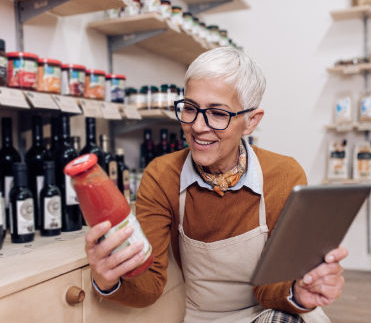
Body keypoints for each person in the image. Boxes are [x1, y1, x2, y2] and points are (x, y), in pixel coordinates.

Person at [85, 47, 347, 323]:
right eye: (190, 108)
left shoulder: (283, 175)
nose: (198, 126)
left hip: (276, 308)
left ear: (251, 121)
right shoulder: (162, 176)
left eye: (218, 114)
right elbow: (149, 286)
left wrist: (298, 291)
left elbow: (271, 290)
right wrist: (107, 280)